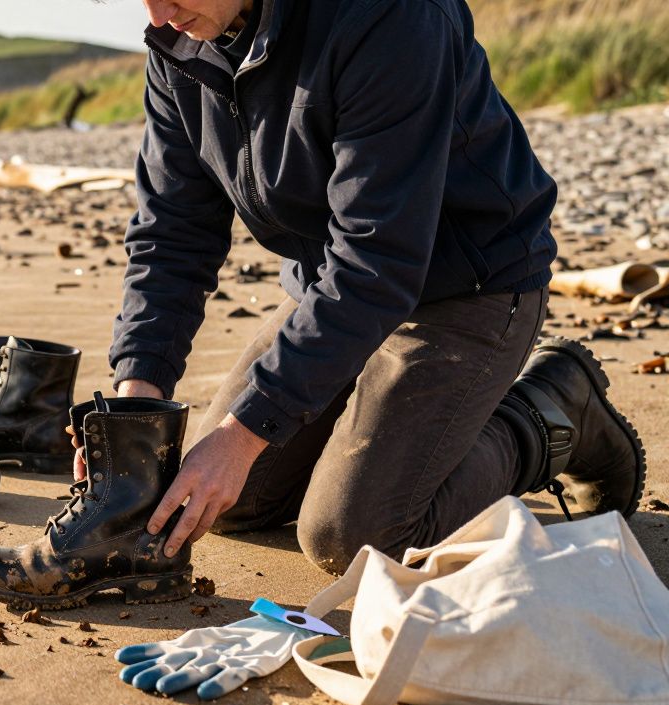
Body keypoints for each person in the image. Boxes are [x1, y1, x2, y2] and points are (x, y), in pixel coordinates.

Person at [103, 0, 646, 574]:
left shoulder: (392, 16)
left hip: (467, 285)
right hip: (328, 286)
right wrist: (137, 396)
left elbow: (378, 258)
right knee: (227, 500)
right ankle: (373, 449)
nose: (159, 14)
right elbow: (172, 233)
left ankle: (547, 413)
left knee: (356, 535)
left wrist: (246, 432)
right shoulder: (179, 47)